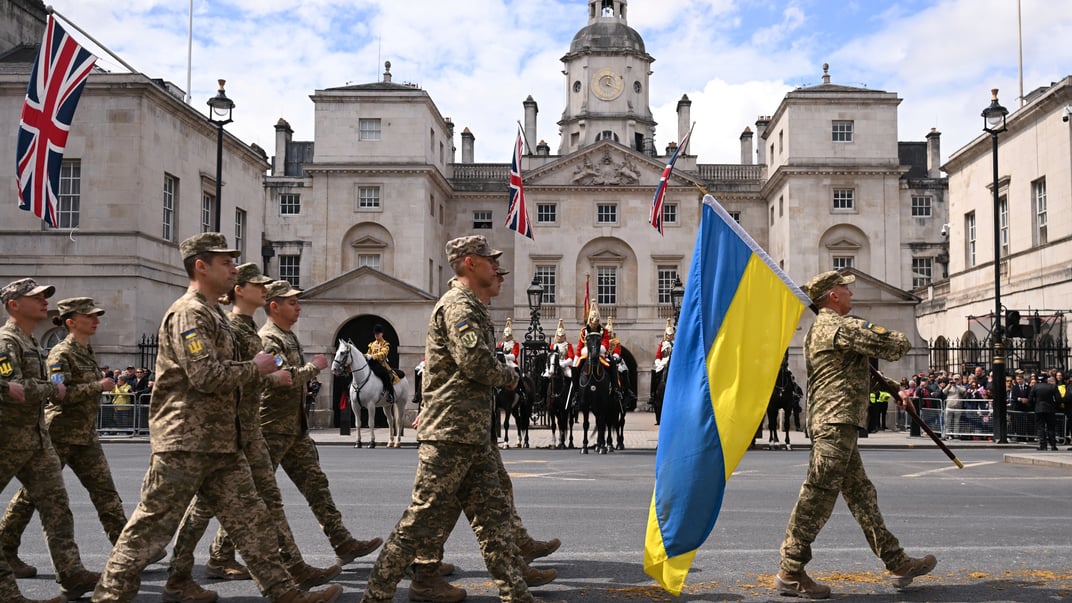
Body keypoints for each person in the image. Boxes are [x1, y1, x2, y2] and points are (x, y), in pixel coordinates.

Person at [91, 233, 341, 603]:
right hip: (185, 440)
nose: (234, 269)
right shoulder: (188, 313)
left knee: (253, 519)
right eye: (226, 262)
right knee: (149, 529)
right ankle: (109, 596)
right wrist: (255, 369)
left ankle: (283, 591)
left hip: (223, 440)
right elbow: (206, 376)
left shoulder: (213, 315)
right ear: (201, 266)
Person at [360, 235, 562, 603]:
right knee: (419, 521)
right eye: (490, 261)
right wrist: (510, 374)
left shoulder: (471, 306)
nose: (496, 267)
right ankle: (375, 595)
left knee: (495, 520)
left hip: (471, 434)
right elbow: (475, 363)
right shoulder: (458, 306)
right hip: (450, 433)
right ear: (471, 262)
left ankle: (517, 595)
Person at [164, 262, 340, 601]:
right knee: (201, 508)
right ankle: (174, 574)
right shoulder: (228, 325)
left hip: (247, 429)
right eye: (256, 285)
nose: (264, 289)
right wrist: (271, 374)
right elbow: (215, 374)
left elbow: (251, 374)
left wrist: (270, 375)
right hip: (225, 430)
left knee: (267, 502)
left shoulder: (245, 329)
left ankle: (291, 570)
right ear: (239, 291)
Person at [775, 271, 936, 599]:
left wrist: (894, 390)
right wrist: (876, 335)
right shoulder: (840, 326)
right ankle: (789, 569)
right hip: (836, 422)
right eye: (846, 288)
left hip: (832, 421)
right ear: (832, 296)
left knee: (862, 495)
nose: (851, 292)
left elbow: (850, 372)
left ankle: (897, 561)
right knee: (818, 493)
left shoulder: (817, 330)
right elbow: (896, 345)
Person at [0, 298, 127, 583]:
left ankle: (124, 550)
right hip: (56, 433)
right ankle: (7, 548)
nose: (96, 320)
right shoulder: (57, 352)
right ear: (71, 321)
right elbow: (56, 393)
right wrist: (97, 386)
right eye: (90, 316)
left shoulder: (81, 349)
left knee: (97, 494)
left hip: (81, 434)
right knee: (30, 499)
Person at [259, 280, 383, 568]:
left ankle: (342, 542)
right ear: (274, 306)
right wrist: (314, 368)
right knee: (258, 494)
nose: (299, 306)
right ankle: (221, 554)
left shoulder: (288, 336)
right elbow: (284, 377)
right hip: (272, 427)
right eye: (292, 302)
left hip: (294, 427)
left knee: (316, 485)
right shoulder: (269, 338)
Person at [366, 324, 398, 403]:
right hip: (371, 364)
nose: (376, 335)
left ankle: (390, 394)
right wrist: (366, 355)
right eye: (375, 333)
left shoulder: (385, 344)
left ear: (382, 334)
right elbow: (368, 353)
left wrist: (372, 356)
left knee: (385, 375)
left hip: (381, 364)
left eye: (378, 333)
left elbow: (383, 354)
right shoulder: (372, 344)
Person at [1029, 375, 1060, 451]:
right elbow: (1058, 399)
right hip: (1050, 409)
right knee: (1051, 427)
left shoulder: (1035, 387)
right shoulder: (1052, 387)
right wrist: (1054, 406)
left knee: (1040, 427)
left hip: (1039, 409)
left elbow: (1030, 398)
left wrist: (1034, 406)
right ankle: (1053, 445)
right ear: (1046, 379)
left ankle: (1043, 445)